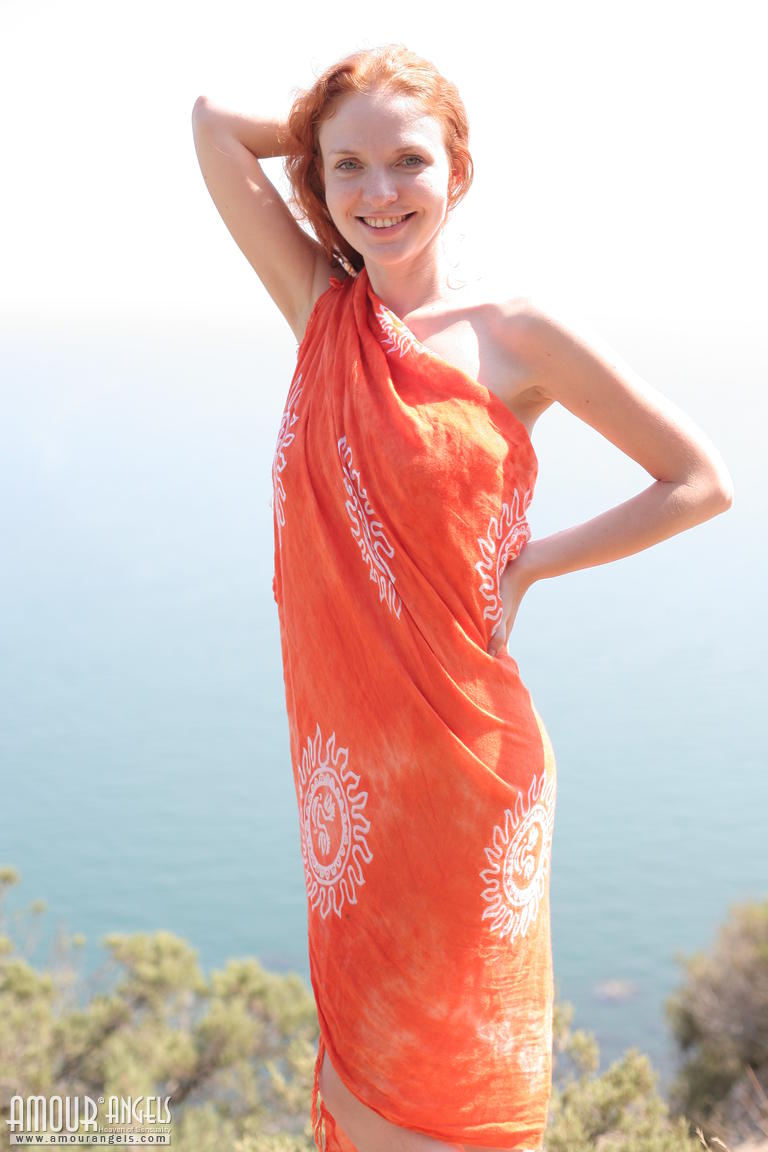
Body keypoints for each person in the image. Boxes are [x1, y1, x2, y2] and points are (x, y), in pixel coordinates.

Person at [191, 43, 733, 1152]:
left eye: (409, 160)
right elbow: (209, 122)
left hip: (469, 765)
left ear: (459, 169)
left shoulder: (516, 333)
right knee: (362, 1071)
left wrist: (532, 564)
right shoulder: (323, 307)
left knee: (450, 1093)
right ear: (317, 178)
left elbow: (699, 481)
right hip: (352, 777)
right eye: (347, 167)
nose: (379, 192)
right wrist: (328, 121)